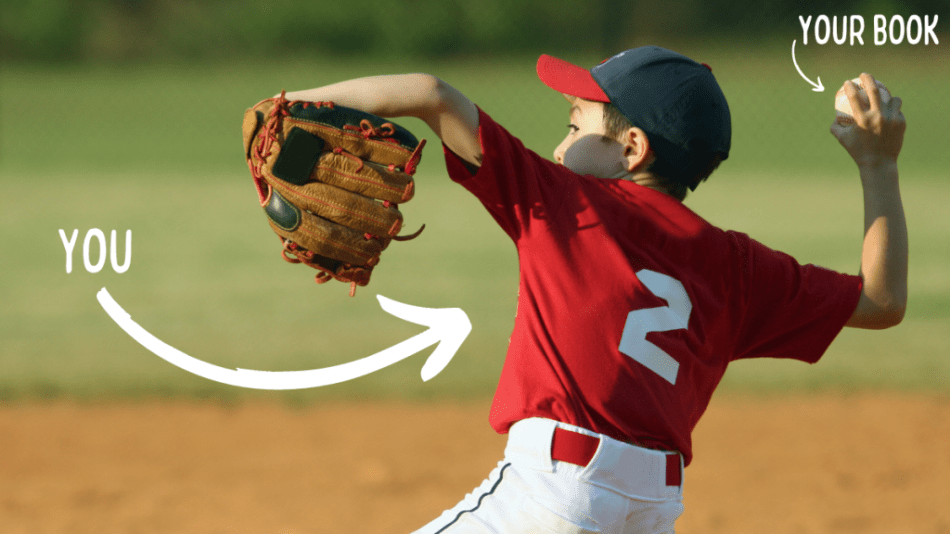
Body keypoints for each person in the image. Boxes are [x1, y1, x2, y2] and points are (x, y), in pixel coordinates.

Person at [281, 45, 907, 533]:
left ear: (631, 148)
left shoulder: (564, 203)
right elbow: (881, 302)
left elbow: (427, 93)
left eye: (576, 124)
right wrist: (878, 165)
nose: (560, 144)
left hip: (554, 492)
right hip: (651, 506)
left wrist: (285, 106)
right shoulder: (737, 266)